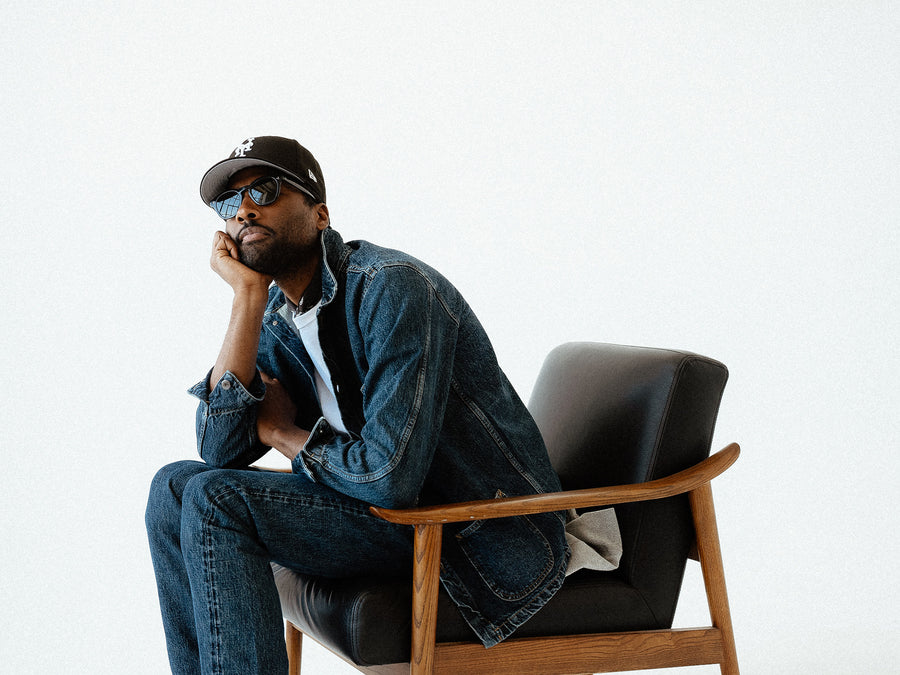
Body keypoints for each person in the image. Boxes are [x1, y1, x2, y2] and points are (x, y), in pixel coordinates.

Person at [145, 136, 569, 674]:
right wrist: (246, 300)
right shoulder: (277, 312)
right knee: (175, 487)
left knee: (216, 499)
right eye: (229, 204)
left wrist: (283, 435)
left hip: (465, 534)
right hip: (389, 514)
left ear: (320, 214)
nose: (245, 209)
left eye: (266, 190)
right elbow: (218, 448)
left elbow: (391, 478)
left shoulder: (394, 290)